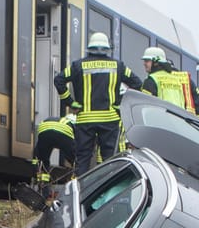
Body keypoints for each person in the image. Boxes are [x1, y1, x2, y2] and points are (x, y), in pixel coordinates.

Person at [53, 32, 140, 174]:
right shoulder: (118, 66)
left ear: (90, 48)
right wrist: (120, 103)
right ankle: (108, 191)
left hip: (85, 120)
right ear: (107, 49)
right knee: (110, 160)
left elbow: (59, 80)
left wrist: (70, 102)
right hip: (110, 119)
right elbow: (137, 83)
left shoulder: (78, 65)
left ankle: (81, 192)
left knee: (83, 159)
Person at [30, 106, 76, 197]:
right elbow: (77, 146)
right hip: (64, 131)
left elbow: (37, 152)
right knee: (76, 161)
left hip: (43, 128)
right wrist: (73, 160)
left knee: (43, 162)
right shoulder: (75, 122)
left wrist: (35, 165)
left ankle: (44, 192)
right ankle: (74, 185)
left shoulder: (62, 119)